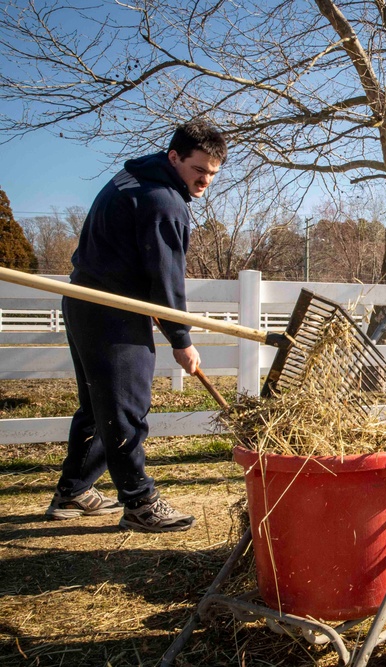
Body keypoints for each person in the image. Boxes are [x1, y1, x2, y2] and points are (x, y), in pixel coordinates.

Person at [45, 119, 227, 532]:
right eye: (199, 171)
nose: (205, 182)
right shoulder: (164, 201)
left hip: (85, 300)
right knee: (126, 407)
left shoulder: (134, 176)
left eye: (213, 174)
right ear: (174, 157)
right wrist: (181, 339)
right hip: (111, 311)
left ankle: (73, 491)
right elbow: (165, 279)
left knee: (98, 405)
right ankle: (140, 503)